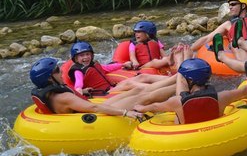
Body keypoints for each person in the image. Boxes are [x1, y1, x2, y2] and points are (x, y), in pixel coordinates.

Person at [30, 58, 178, 117]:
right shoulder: (63, 97)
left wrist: (84, 91)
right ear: (49, 78)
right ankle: (179, 85)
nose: (61, 71)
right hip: (97, 115)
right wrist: (125, 113)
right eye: (57, 71)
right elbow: (94, 109)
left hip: (88, 108)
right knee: (143, 97)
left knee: (137, 90)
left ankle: (175, 78)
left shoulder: (54, 94)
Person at [133, 58, 247, 124]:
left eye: (183, 78)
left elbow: (155, 106)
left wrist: (140, 107)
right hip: (216, 132)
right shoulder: (222, 97)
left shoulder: (176, 102)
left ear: (189, 81)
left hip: (185, 137)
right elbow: (243, 91)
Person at [68, 41, 172, 96]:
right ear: (76, 58)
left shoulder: (93, 64)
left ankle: (174, 79)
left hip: (112, 88)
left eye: (87, 54)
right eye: (81, 56)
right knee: (130, 84)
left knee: (142, 77)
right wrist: (80, 91)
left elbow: (107, 68)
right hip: (104, 93)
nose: (85, 57)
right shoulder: (78, 71)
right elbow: (78, 84)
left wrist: (122, 65)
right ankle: (163, 89)